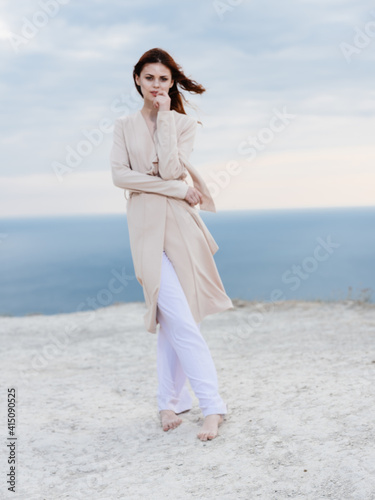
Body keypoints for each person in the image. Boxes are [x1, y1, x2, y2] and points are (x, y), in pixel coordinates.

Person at [110, 48, 234, 441]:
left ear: (171, 82)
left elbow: (169, 167)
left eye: (163, 79)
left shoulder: (181, 124)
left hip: (180, 229)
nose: (157, 86)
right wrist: (178, 190)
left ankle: (175, 402)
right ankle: (207, 404)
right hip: (146, 230)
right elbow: (120, 177)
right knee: (174, 315)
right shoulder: (123, 125)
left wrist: (164, 118)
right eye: (150, 78)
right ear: (137, 80)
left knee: (177, 320)